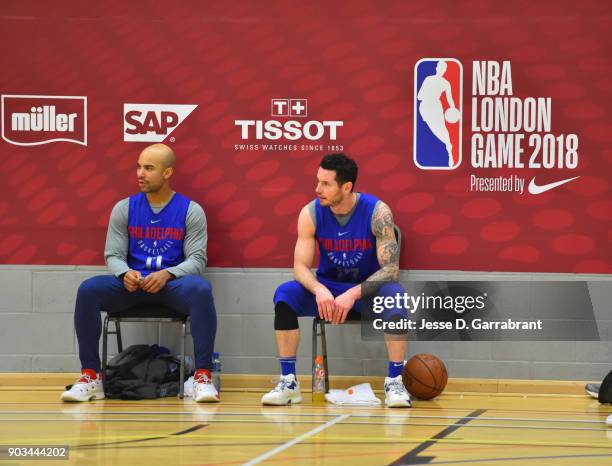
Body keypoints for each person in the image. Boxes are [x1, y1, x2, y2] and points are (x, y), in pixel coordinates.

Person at [61, 143, 219, 403]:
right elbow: (112, 255)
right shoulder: (124, 208)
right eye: (138, 166)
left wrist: (168, 274)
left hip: (170, 287)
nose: (140, 173)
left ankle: (202, 376)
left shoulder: (191, 210)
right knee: (88, 290)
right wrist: (124, 274)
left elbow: (197, 260)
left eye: (148, 168)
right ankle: (91, 376)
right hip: (132, 286)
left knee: (201, 290)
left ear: (167, 173)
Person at [261, 153, 411, 407]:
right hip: (328, 289)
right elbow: (300, 266)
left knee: (396, 296)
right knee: (285, 295)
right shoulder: (311, 213)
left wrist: (353, 294)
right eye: (317, 181)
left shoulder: (377, 212)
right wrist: (319, 289)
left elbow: (391, 269)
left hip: (367, 291)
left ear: (347, 187)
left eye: (326, 184)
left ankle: (395, 382)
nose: (317, 189)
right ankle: (289, 382)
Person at [417, 60, 458, 167]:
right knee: (433, 130)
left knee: (441, 129)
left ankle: (449, 148)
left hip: (435, 107)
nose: (442, 70)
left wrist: (453, 109)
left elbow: (450, 99)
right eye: (440, 68)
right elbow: (419, 96)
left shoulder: (445, 83)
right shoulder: (428, 79)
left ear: (445, 71)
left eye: (444, 69)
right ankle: (447, 146)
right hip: (425, 107)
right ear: (437, 68)